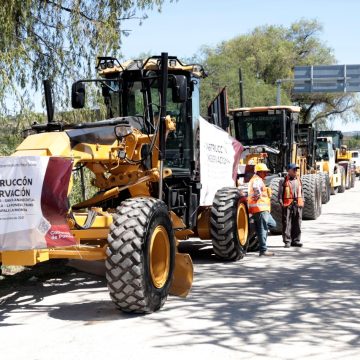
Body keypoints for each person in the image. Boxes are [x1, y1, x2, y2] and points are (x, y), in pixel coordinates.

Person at [248, 163, 276, 256]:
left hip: (261, 209)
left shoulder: (256, 179)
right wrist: (258, 195)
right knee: (263, 228)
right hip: (260, 209)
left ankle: (259, 235)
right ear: (259, 172)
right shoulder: (257, 179)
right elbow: (256, 189)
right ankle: (263, 250)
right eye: (264, 172)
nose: (266, 174)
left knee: (272, 224)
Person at [278, 163, 304, 248]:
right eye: (294, 169)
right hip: (287, 205)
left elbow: (302, 192)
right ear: (289, 171)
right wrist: (281, 203)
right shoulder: (283, 180)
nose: (295, 171)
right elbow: (280, 194)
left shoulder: (299, 180)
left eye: (296, 169)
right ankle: (287, 241)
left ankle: (296, 240)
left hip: (298, 204)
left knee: (297, 223)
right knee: (287, 223)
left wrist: (302, 200)